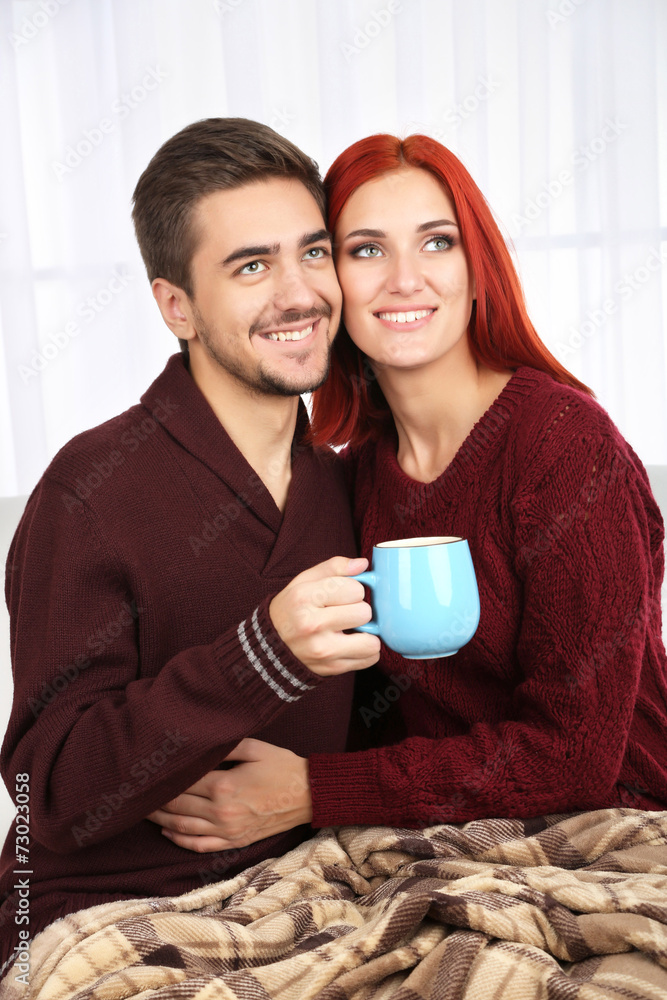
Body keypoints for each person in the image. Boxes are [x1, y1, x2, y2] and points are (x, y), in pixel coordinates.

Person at [149, 133, 667, 855]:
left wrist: (310, 790)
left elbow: (573, 756)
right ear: (329, 283)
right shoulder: (350, 474)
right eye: (364, 250)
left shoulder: (563, 447)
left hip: (616, 822)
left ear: (477, 267)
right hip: (428, 838)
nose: (402, 280)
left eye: (435, 243)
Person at [0, 118, 381, 975]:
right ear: (177, 305)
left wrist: (315, 794)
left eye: (312, 253)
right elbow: (47, 791)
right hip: (114, 914)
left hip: (312, 896)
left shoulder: (349, 482)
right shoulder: (91, 488)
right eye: (251, 266)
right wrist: (262, 655)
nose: (299, 294)